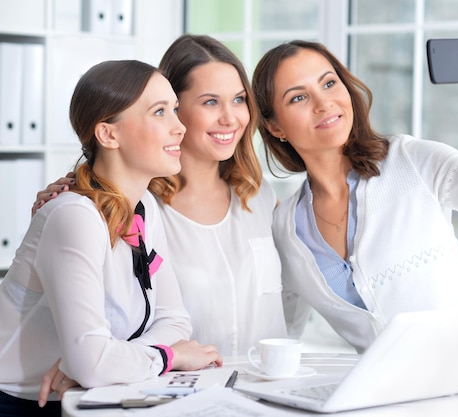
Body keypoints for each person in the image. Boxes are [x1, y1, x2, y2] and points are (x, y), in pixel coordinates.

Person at [252, 30, 458, 353]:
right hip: (388, 401)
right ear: (274, 127)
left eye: (328, 83)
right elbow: (280, 337)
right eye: (298, 97)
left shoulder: (409, 160)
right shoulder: (285, 229)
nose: (324, 103)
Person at [32, 35, 286, 356]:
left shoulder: (260, 196)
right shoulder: (135, 207)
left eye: (238, 100)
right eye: (210, 102)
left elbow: (290, 295)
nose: (230, 117)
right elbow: (87, 321)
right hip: (173, 391)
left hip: (261, 389)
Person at [0, 60, 222, 417]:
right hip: (22, 404)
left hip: (95, 396)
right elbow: (94, 362)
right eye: (160, 112)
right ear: (108, 134)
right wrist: (169, 355)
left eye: (175, 111)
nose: (180, 127)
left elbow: (175, 320)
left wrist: (103, 361)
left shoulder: (144, 206)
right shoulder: (72, 215)